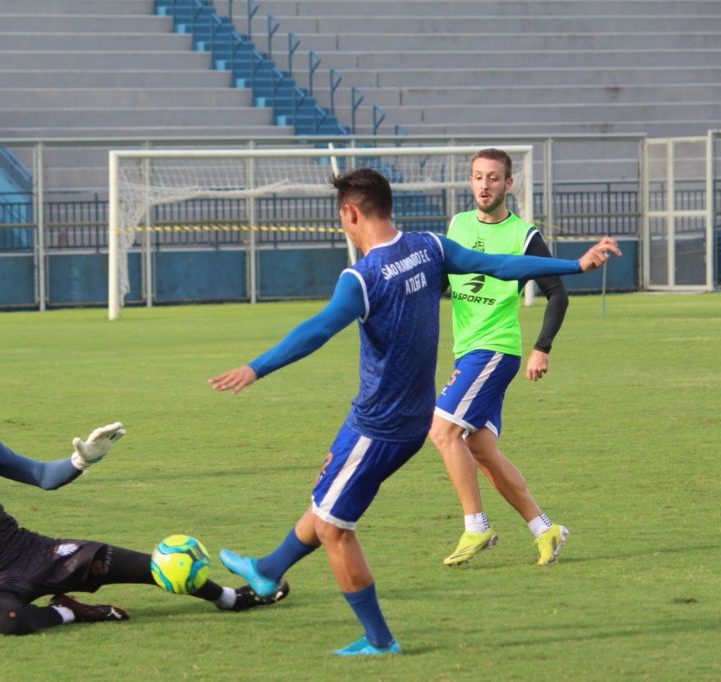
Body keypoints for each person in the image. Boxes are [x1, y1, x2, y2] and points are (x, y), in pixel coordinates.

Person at [209, 167, 620, 656]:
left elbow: (317, 331)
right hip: (409, 419)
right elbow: (502, 267)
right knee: (327, 500)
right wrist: (575, 265)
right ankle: (270, 568)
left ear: (351, 212)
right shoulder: (430, 246)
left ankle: (379, 640)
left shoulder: (361, 277)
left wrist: (255, 368)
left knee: (335, 529)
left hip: (377, 426)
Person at [0, 387, 289, 635]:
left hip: (31, 553)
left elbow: (43, 475)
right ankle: (68, 612)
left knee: (154, 565)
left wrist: (83, 460)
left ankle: (230, 598)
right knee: (9, 620)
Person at [431, 148, 573, 568]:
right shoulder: (457, 225)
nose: (484, 185)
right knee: (480, 447)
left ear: (508, 184)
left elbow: (557, 292)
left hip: (494, 349)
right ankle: (544, 528)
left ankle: (476, 525)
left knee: (441, 431)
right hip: (467, 351)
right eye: (477, 177)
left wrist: (541, 347)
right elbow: (442, 279)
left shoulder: (524, 235)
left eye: (493, 178)